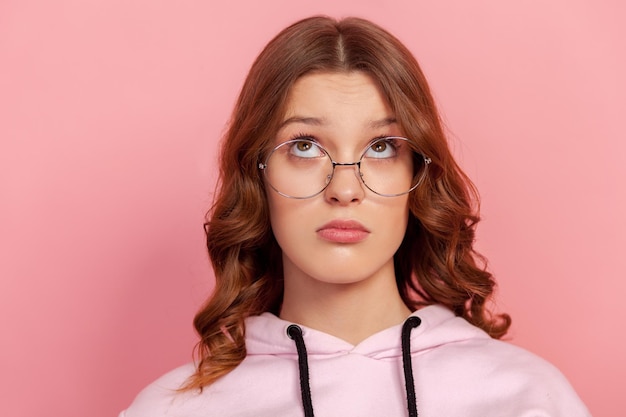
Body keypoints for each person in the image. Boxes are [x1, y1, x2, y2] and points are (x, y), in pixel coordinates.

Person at [120, 16, 590, 417]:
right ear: (256, 173)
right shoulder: (172, 409)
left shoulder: (528, 398)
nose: (346, 189)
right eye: (304, 146)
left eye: (382, 147)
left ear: (419, 174)